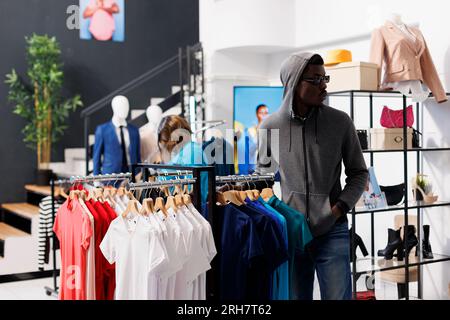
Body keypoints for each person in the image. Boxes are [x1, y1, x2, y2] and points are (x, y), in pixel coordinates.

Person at [255, 52, 368, 300]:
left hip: (333, 231)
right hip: (294, 233)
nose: (324, 85)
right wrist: (282, 215)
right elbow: (261, 180)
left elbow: (359, 173)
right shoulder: (270, 127)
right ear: (294, 83)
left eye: (324, 78)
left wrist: (337, 209)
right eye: (315, 79)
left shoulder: (340, 122)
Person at [157, 115, 209, 204]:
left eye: (165, 140)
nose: (164, 144)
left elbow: (191, 190)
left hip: (191, 209)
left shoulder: (191, 151)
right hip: (181, 207)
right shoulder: (185, 150)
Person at [247, 104, 269, 173]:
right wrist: (258, 132)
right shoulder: (251, 130)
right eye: (261, 113)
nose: (264, 116)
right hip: (255, 168)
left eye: (266, 113)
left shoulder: (271, 130)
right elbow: (251, 150)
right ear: (257, 114)